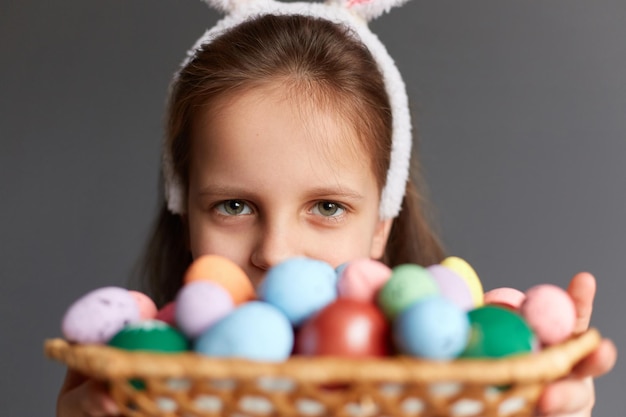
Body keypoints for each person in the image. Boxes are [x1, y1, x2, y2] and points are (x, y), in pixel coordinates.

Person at [56, 1, 616, 416]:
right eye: (233, 205)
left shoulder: (446, 388)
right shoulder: (147, 388)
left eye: (326, 206)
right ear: (186, 219)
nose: (274, 253)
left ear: (380, 228)